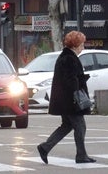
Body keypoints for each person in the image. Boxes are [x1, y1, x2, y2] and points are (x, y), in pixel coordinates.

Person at [37, 31, 96, 164]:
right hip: (70, 101)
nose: (83, 48)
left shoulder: (66, 57)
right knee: (80, 126)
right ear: (75, 45)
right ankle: (81, 155)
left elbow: (67, 78)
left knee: (67, 125)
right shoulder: (69, 58)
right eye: (81, 45)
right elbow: (70, 80)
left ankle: (45, 147)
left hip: (64, 100)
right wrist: (77, 94)